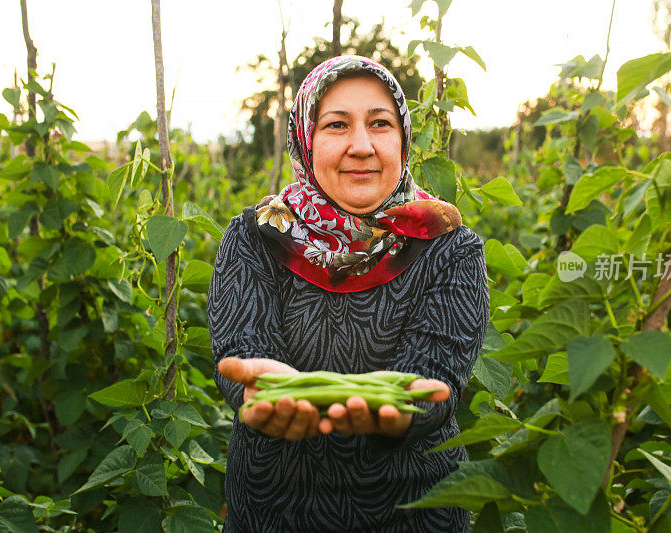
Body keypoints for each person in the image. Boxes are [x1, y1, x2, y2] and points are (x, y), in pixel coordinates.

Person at [208, 55, 489, 532]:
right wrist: (258, 386)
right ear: (306, 139)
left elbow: (435, 378)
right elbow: (242, 352)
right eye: (337, 125)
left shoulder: (449, 246)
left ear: (402, 139)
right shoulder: (256, 236)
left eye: (380, 124)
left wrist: (398, 408)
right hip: (274, 511)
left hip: (414, 512)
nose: (362, 146)